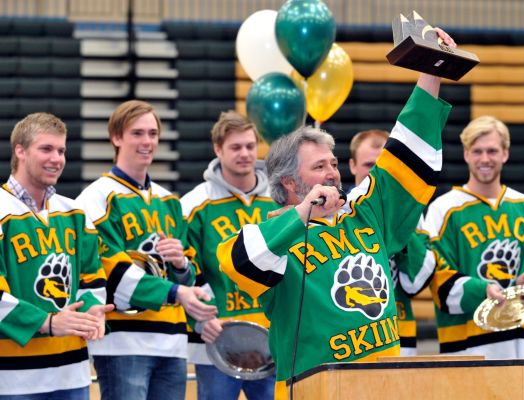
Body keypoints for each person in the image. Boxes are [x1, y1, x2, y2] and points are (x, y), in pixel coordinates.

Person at [216, 29, 455, 398]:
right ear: (291, 184)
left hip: (384, 383)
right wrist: (304, 214)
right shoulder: (275, 235)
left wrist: (432, 69)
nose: (333, 173)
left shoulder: (365, 213)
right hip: (314, 389)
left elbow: (408, 155)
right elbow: (238, 260)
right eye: (319, 167)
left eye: (333, 163)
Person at [76, 100, 217, 400]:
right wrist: (176, 292)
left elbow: (187, 280)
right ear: (116, 138)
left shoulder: (170, 202)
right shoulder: (95, 199)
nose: (147, 142)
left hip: (172, 342)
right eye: (137, 133)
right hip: (123, 344)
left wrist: (181, 266)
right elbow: (109, 272)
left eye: (153, 134)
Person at [424, 115, 524, 358]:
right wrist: (481, 289)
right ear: (466, 154)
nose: (484, 159)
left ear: (505, 153)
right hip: (464, 347)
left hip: (520, 344)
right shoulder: (443, 209)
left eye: (492, 151)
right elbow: (438, 279)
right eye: (477, 151)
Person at [0, 113, 114, 398]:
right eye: (46, 149)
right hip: (13, 378)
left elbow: (92, 280)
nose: (57, 158)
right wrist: (47, 322)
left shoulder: (75, 213)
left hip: (72, 374)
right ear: (20, 151)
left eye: (61, 150)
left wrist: (90, 312)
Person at [181, 111, 279, 400]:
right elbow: (186, 272)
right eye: (236, 147)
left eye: (250, 146)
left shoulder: (278, 198)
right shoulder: (194, 204)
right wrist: (199, 321)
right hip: (217, 340)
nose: (245, 154)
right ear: (218, 149)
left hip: (274, 338)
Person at [349, 128, 435, 355]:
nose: (376, 175)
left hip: (398, 332)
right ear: (351, 166)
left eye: (382, 167)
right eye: (369, 165)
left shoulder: (412, 213)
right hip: (349, 338)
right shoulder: (337, 211)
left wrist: (401, 228)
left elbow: (416, 283)